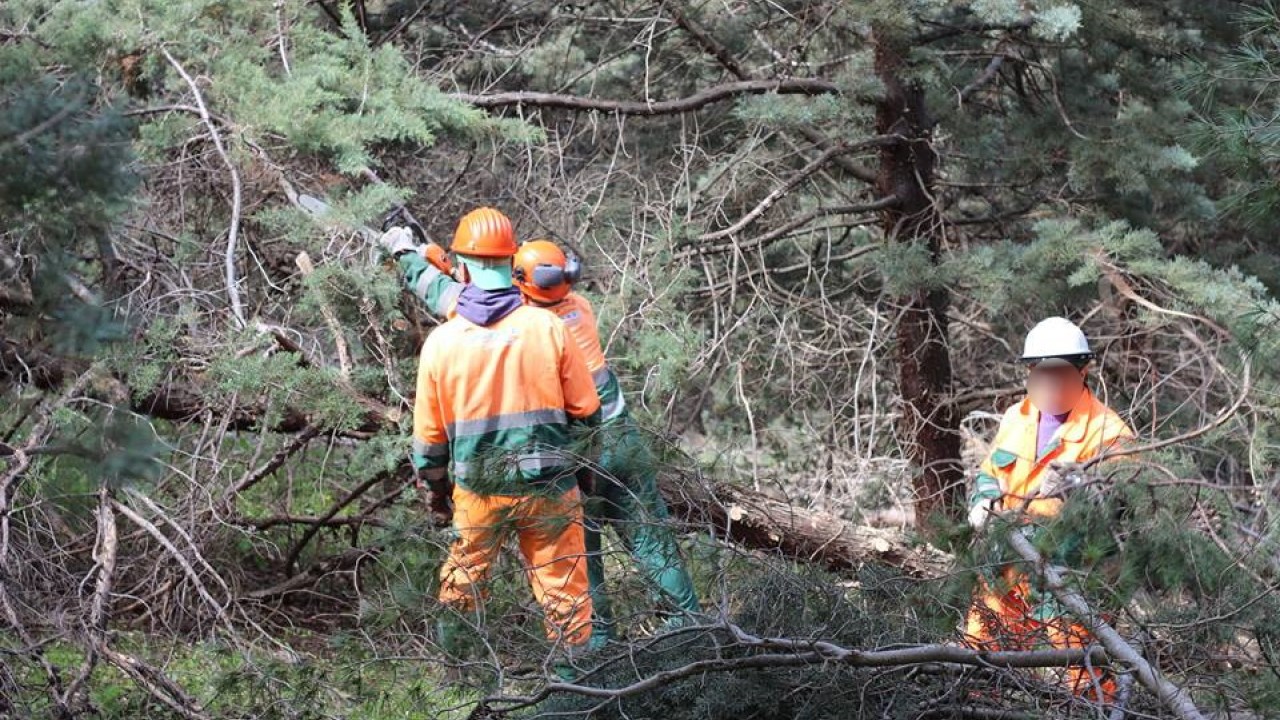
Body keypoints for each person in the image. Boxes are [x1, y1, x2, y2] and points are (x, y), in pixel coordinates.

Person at [381, 227, 701, 647]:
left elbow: (455, 296)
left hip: (570, 450)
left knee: (574, 562)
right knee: (648, 535)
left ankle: (597, 646)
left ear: (522, 284)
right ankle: (692, 624)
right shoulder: (576, 307)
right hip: (620, 438)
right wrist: (446, 257)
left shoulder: (531, 321)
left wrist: (410, 255)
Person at [406, 208, 601, 661]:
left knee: (463, 582)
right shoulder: (548, 327)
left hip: (478, 492)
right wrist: (584, 476)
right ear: (511, 260)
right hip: (549, 486)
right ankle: (578, 691)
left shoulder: (442, 342)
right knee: (566, 593)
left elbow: (429, 442)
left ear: (464, 264)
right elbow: (588, 412)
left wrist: (438, 494)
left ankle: (459, 681)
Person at [964, 317, 1134, 703]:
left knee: (1082, 668)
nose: (1049, 384)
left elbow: (1117, 505)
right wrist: (982, 499)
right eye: (1042, 373)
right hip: (1005, 562)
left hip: (1070, 571)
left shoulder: (1108, 432)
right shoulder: (1016, 417)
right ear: (1029, 371)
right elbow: (991, 472)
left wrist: (1076, 488)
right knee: (982, 655)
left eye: (1060, 374)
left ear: (1083, 371)